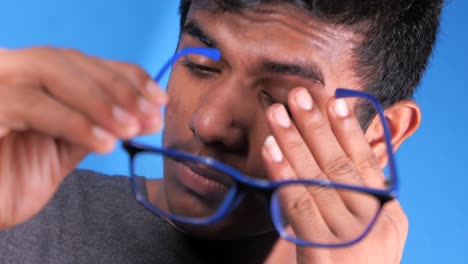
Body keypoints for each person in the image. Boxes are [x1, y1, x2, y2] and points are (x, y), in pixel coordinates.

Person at [0, 0, 443, 263]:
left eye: (283, 98)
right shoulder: (18, 213)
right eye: (199, 65)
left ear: (378, 137)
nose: (210, 124)